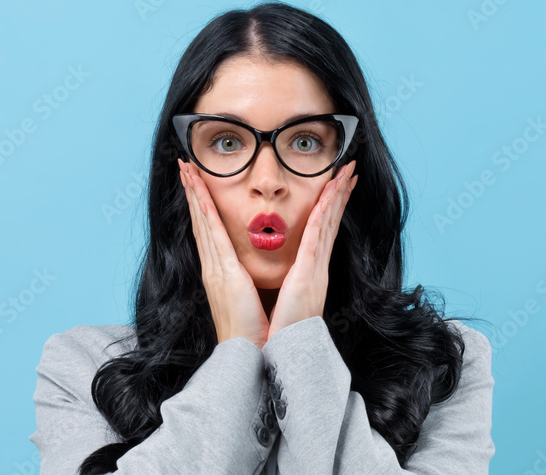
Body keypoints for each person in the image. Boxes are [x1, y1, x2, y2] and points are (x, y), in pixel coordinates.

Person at [28, 2, 495, 474]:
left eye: (306, 141)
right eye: (227, 142)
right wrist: (239, 354)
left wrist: (299, 345)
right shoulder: (81, 366)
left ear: (351, 168)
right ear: (182, 170)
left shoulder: (444, 367)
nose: (268, 180)